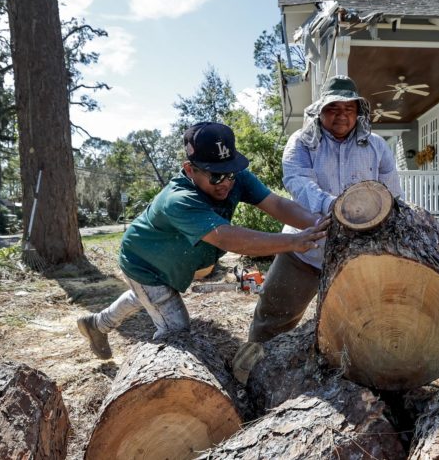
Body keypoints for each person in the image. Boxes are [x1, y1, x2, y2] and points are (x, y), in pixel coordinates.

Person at [77, 122, 329, 359]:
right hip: (145, 264)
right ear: (189, 169)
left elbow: (276, 203)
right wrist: (293, 242)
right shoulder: (179, 199)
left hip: (172, 262)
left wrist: (316, 223)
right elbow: (228, 239)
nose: (226, 182)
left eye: (230, 173)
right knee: (175, 330)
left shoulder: (233, 176)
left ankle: (97, 324)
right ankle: (161, 377)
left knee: (143, 297)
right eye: (216, 176)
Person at [232, 75, 403, 383]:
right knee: (273, 316)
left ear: (359, 112)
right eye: (333, 108)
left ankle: (361, 381)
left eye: (349, 108)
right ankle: (252, 378)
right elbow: (298, 183)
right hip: (306, 247)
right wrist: (335, 207)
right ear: (320, 111)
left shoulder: (376, 146)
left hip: (360, 255)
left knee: (362, 325)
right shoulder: (302, 142)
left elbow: (391, 193)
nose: (342, 115)